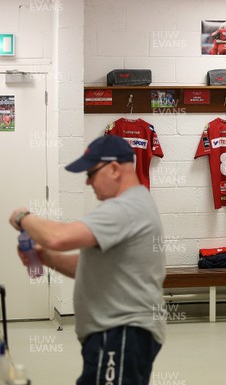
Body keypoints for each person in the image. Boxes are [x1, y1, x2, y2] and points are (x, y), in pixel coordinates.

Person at [9, 135, 166, 385]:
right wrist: (47, 258)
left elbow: (58, 237)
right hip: (115, 334)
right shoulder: (133, 205)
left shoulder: (125, 208)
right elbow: (94, 269)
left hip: (121, 331)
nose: (88, 181)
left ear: (114, 169)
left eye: (91, 173)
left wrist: (22, 217)